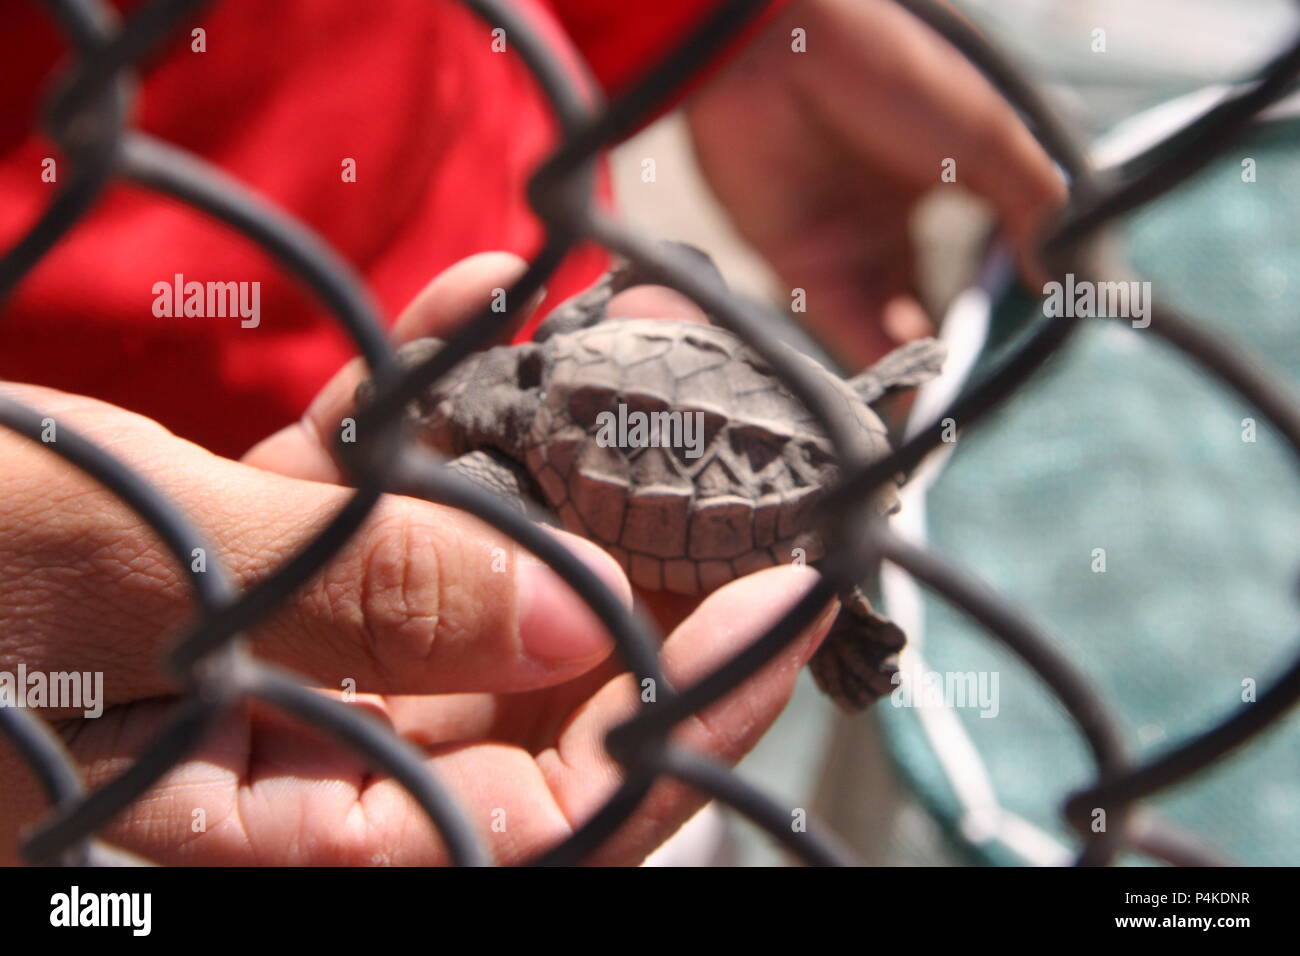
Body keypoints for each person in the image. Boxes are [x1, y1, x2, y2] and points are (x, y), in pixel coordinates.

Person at [0, 0, 1062, 865]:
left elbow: (660, 285)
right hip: (116, 659)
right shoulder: (571, 331)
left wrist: (714, 24)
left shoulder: (504, 457)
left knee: (674, 691)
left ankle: (831, 608)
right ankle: (838, 578)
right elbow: (673, 271)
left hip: (553, 665)